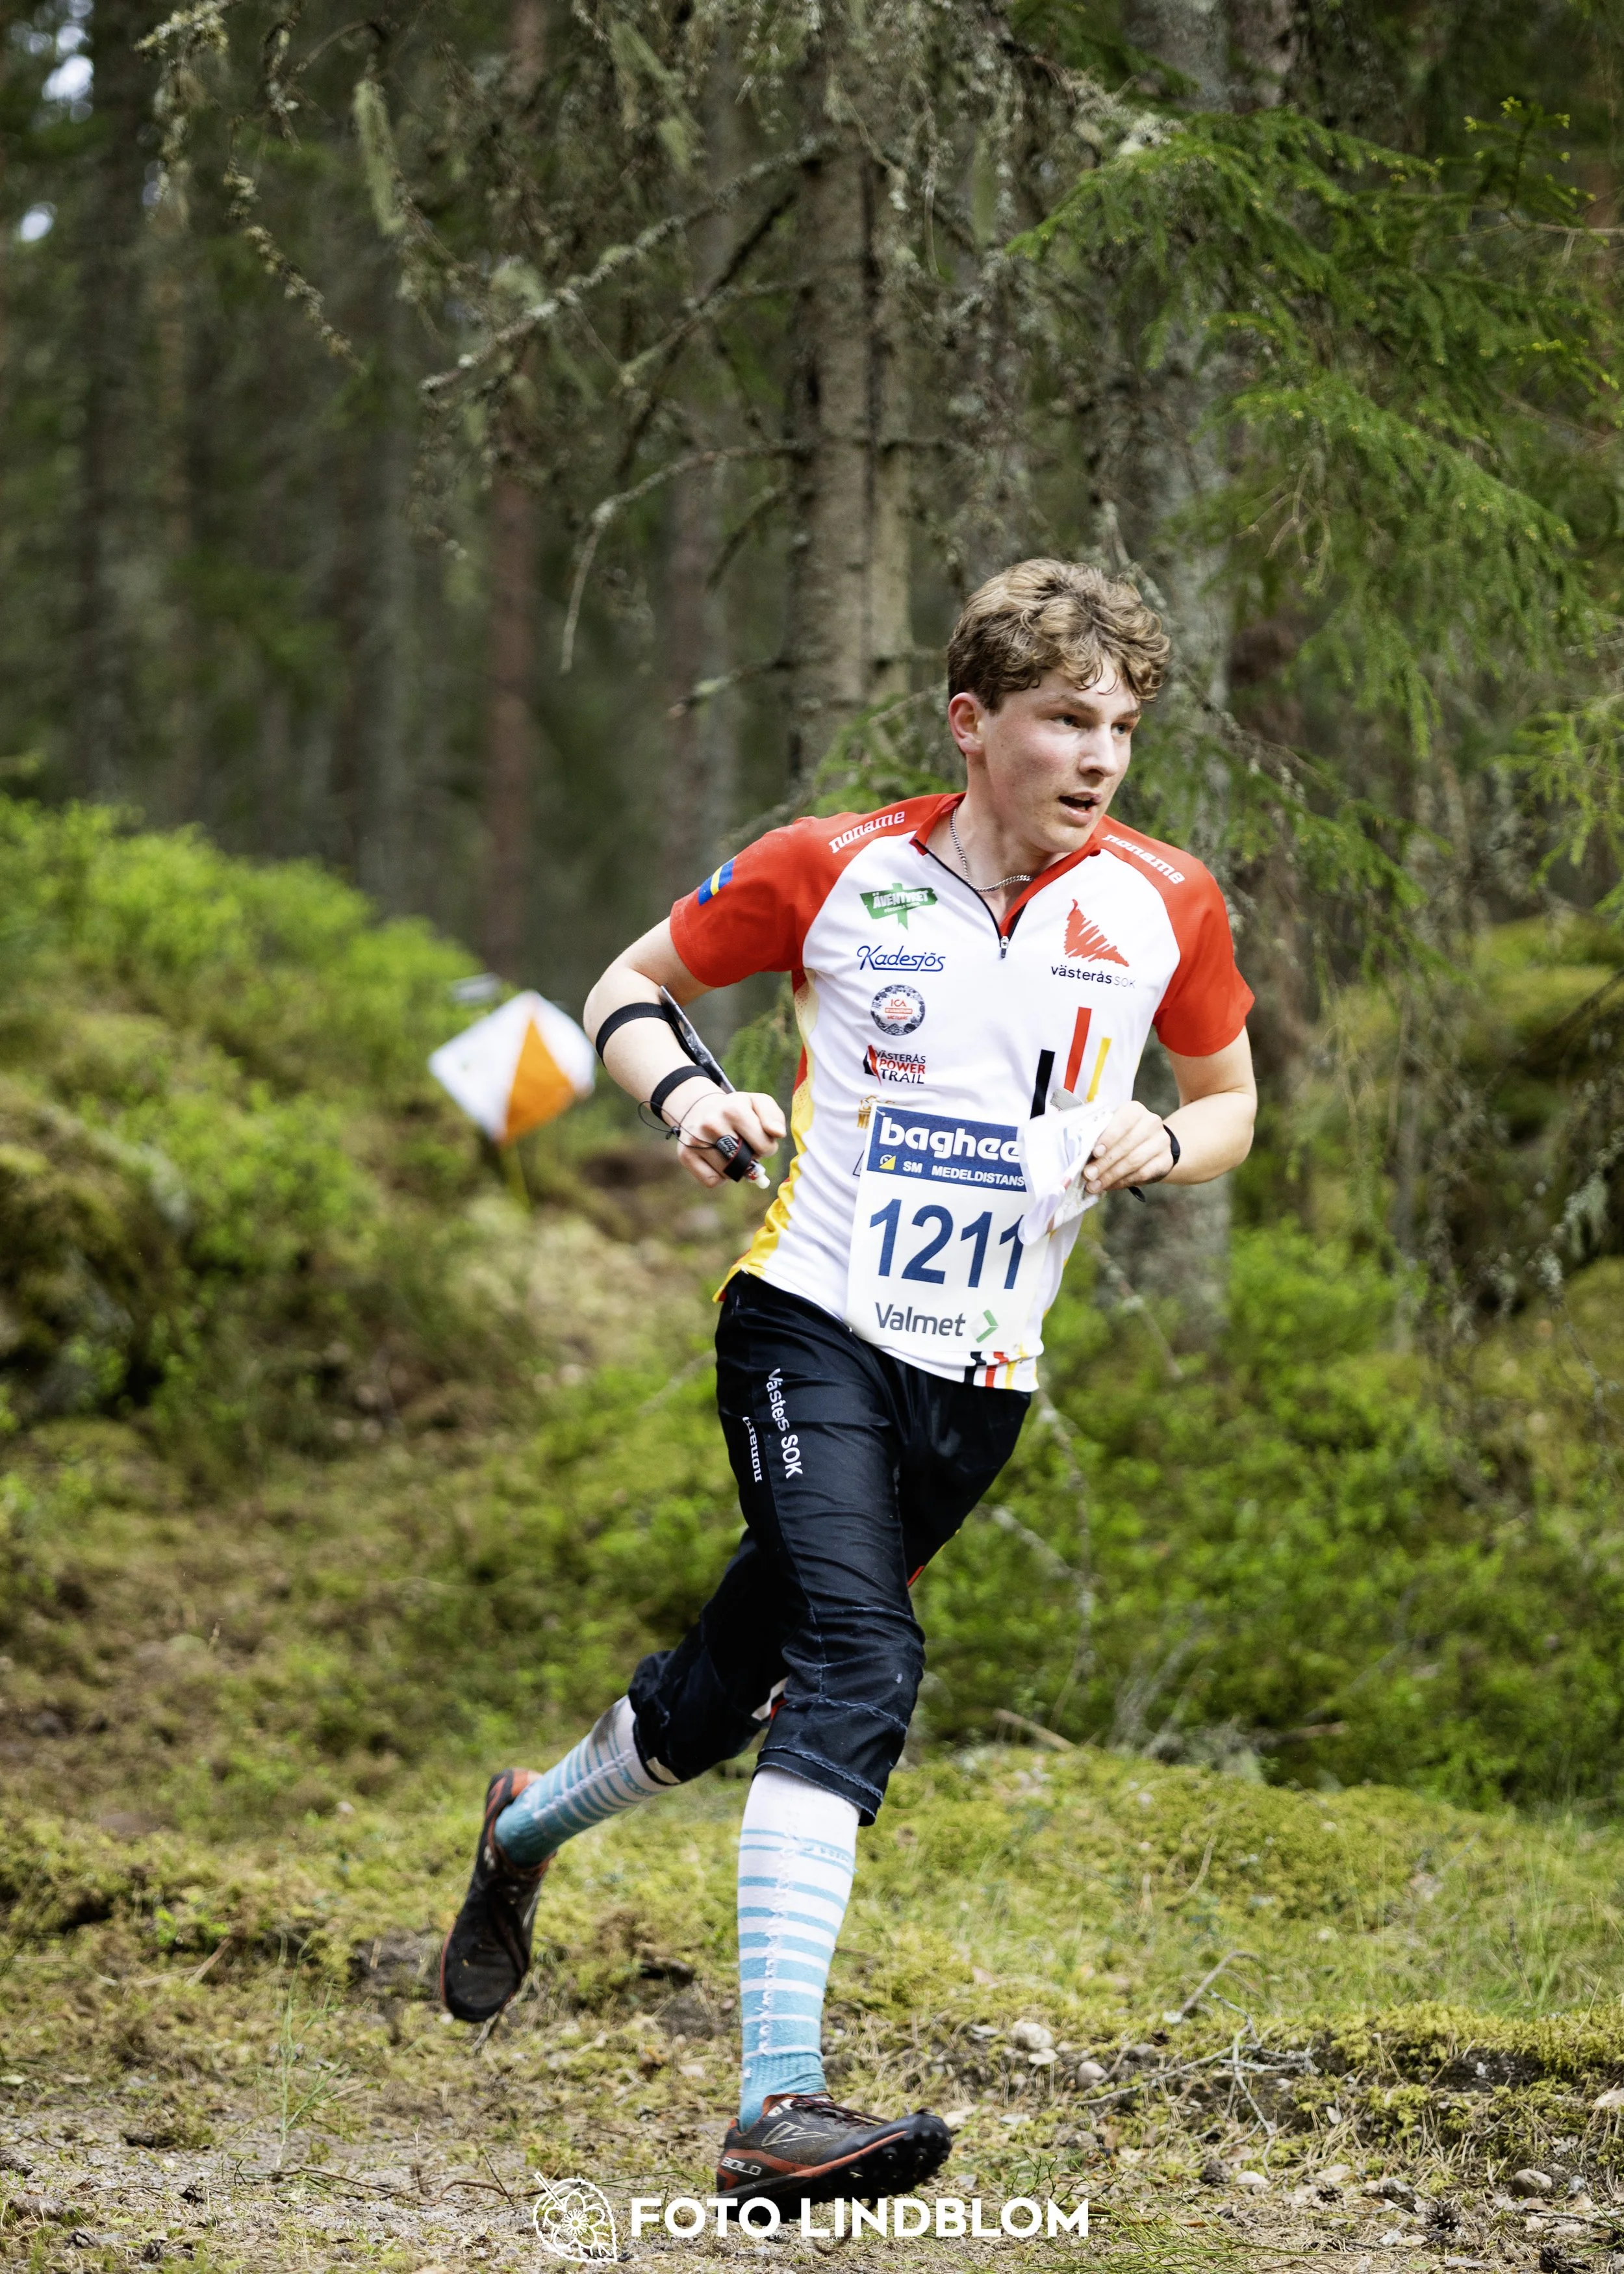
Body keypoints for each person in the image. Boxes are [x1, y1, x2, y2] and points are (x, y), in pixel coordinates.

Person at [439, 558, 1256, 2210]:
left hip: (979, 1381)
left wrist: (1159, 1139)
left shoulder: (1164, 898)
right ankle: (777, 2102)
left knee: (724, 1689)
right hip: (806, 1320)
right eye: (1060, 721)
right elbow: (625, 985)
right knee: (858, 1655)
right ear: (973, 723)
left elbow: (1230, 1099)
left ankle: (521, 1830)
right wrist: (683, 1096)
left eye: (1120, 726)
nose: (1096, 757)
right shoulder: (836, 868)